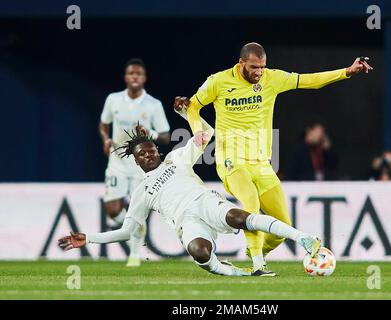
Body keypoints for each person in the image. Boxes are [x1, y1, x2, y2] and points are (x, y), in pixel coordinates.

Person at [174, 42, 373, 275]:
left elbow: (309, 80)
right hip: (231, 160)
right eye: (254, 67)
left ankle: (255, 250)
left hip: (261, 163)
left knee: (281, 226)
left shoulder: (272, 79)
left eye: (262, 67)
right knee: (250, 205)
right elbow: (193, 105)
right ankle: (259, 265)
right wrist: (197, 129)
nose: (259, 72)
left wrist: (346, 72)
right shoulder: (218, 81)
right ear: (241, 64)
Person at [58, 106, 321, 277]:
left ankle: (303, 238)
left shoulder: (177, 157)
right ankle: (235, 273)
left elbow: (207, 133)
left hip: (205, 201)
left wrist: (188, 114)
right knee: (200, 251)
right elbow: (127, 231)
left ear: (157, 151)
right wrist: (89, 238)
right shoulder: (142, 191)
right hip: (186, 222)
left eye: (150, 149)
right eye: (142, 154)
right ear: (136, 161)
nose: (148, 154)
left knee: (240, 217)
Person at [98, 58, 171, 266]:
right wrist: (106, 139)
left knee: (137, 210)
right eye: (131, 73)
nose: (135, 77)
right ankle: (136, 229)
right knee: (113, 211)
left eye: (139, 73)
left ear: (144, 78)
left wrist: (152, 134)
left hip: (141, 165)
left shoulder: (153, 105)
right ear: (126, 77)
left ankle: (134, 255)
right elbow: (103, 124)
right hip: (117, 161)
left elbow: (166, 136)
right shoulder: (113, 100)